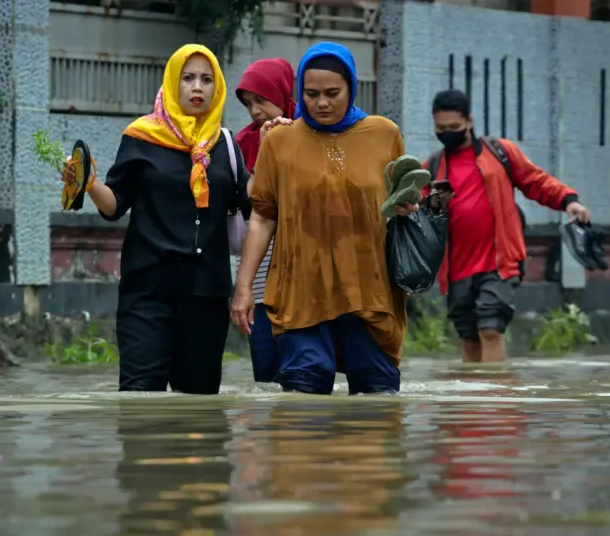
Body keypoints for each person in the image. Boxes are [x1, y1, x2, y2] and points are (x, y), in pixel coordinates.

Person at [63, 44, 250, 393]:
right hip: (147, 290)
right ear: (172, 84)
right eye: (188, 78)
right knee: (140, 396)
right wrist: (88, 183)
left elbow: (255, 205)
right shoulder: (141, 137)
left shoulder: (224, 145)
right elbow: (114, 205)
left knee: (199, 407)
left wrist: (273, 156)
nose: (197, 87)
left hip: (206, 295)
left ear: (218, 87)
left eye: (207, 79)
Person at [231, 42, 414, 395]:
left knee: (375, 407)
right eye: (311, 94)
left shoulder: (384, 134)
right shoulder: (280, 140)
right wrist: (242, 289)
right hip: (300, 292)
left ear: (352, 88)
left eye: (333, 93)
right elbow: (262, 218)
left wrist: (409, 205)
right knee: (303, 404)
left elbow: (397, 204)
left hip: (369, 292)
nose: (322, 103)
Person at [424, 89, 591, 363]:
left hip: (498, 262)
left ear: (469, 121)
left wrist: (568, 201)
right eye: (441, 128)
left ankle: (496, 398)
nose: (448, 132)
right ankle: (471, 402)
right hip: (456, 268)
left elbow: (535, 181)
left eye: (454, 127)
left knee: (490, 329)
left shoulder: (498, 153)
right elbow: (430, 218)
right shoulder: (434, 169)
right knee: (468, 337)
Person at [233, 58, 296, 383]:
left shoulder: (315, 136)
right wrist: (265, 150)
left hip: (307, 280)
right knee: (267, 381)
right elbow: (247, 204)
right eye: (248, 104)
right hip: (259, 279)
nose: (255, 110)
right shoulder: (243, 143)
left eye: (262, 100)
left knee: (307, 381)